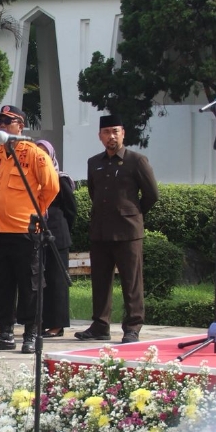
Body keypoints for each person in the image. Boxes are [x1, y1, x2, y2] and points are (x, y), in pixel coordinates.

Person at [0, 104, 59, 354]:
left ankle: (31, 333)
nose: (1, 125)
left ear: (20, 125)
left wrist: (36, 212)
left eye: (7, 121)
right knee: (2, 284)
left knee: (30, 285)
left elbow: (51, 187)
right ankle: (4, 333)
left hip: (25, 229)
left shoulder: (34, 154)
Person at [74, 115, 159, 344]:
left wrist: (133, 213)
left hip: (128, 231)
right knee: (100, 280)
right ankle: (100, 325)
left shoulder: (137, 160)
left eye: (115, 131)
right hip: (100, 230)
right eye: (106, 132)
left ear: (123, 133)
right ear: (100, 136)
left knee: (131, 281)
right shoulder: (94, 162)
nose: (111, 136)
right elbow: (94, 192)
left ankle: (133, 326)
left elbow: (151, 195)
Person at [37, 140, 77, 338]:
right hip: (36, 234)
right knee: (38, 280)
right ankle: (40, 322)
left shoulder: (60, 179)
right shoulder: (31, 178)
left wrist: (60, 229)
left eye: (44, 152)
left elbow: (71, 210)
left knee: (56, 280)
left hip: (56, 235)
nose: (41, 156)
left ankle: (57, 325)